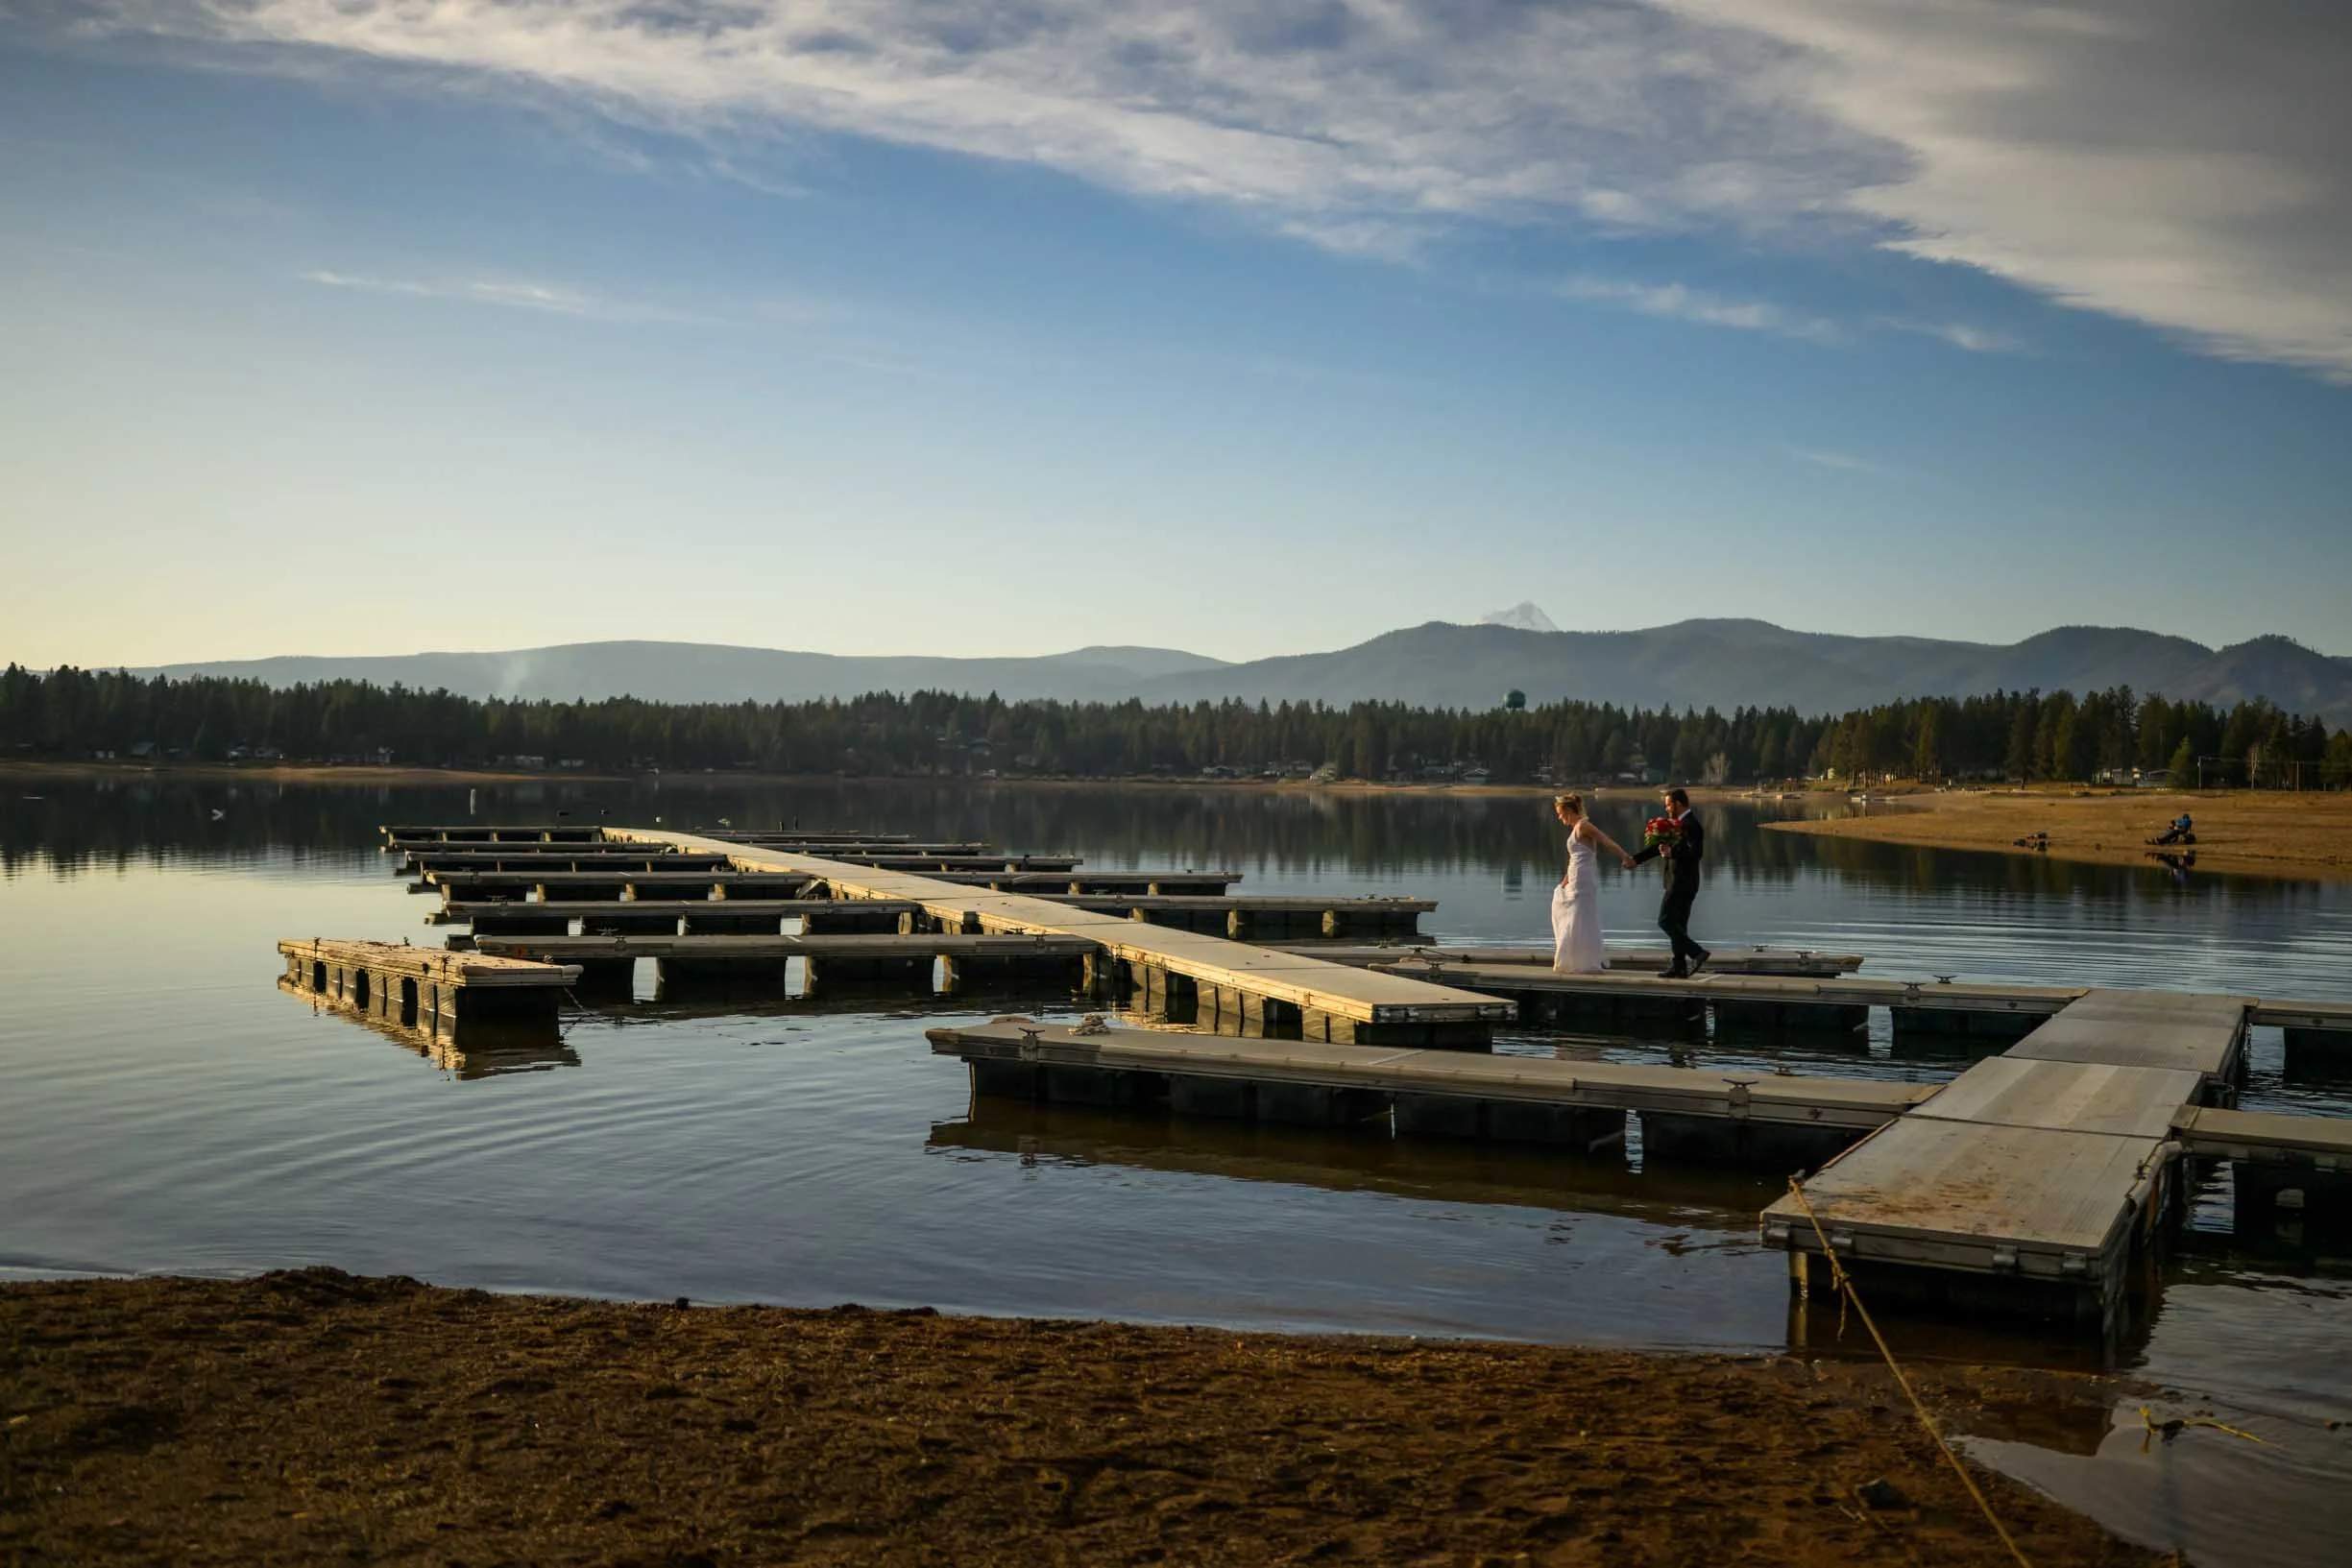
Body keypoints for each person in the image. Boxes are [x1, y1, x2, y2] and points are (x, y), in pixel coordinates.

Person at [1627, 785, 1710, 977]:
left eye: (1668, 805)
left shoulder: (1691, 824)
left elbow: (1696, 854)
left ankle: (1697, 953)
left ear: (1678, 804)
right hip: (1677, 881)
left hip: (1683, 881)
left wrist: (1673, 852)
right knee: (1678, 925)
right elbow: (1657, 848)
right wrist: (1635, 860)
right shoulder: (1674, 825)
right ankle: (1679, 967)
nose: (1666, 809)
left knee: (1665, 921)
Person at [1549, 794, 1631, 974]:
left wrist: (1624, 856)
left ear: (1569, 810)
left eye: (1560, 813)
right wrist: (1564, 881)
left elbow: (1606, 841)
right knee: (1567, 910)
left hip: (1583, 877)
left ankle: (1583, 961)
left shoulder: (1583, 826)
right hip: (1575, 875)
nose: (1559, 817)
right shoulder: (1575, 829)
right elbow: (1573, 859)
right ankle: (1573, 958)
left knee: (1580, 916)